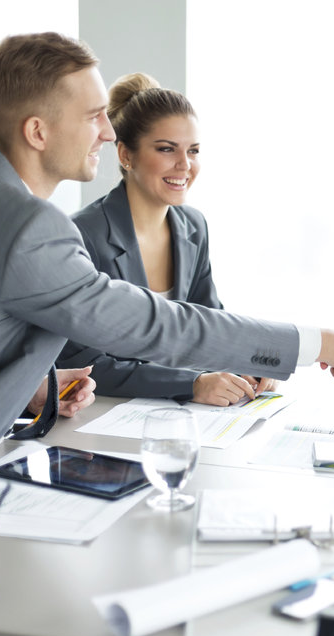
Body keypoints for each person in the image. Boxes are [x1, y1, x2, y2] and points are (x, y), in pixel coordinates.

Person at [0, 33, 334, 509]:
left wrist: (32, 386)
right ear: (37, 131)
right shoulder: (34, 229)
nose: (106, 132)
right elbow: (162, 326)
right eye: (93, 116)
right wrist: (323, 344)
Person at [58, 73, 276, 406]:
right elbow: (83, 363)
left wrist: (247, 362)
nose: (185, 165)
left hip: (176, 415)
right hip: (103, 415)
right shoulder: (82, 236)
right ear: (125, 155)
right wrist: (193, 384)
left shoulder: (193, 226)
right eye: (166, 149)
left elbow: (208, 325)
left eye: (194, 150)